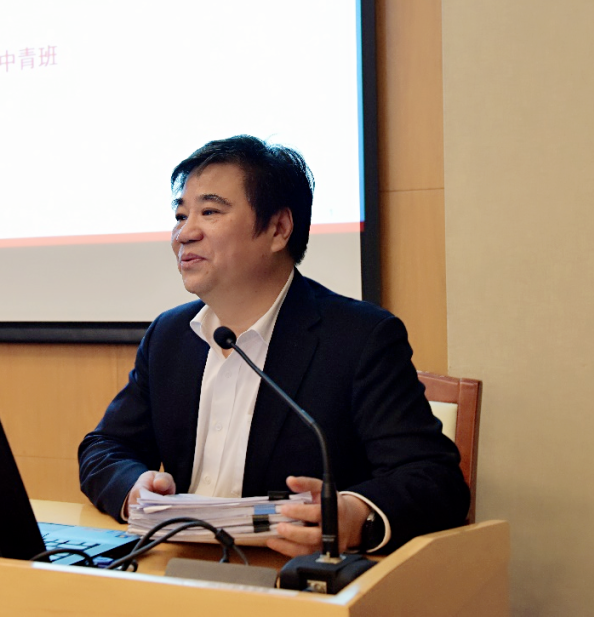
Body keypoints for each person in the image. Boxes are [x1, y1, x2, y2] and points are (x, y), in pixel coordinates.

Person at [78, 135, 469, 556]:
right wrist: (133, 487)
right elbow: (104, 448)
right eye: (180, 215)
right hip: (176, 568)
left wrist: (356, 515)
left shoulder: (359, 339)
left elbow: (434, 479)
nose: (184, 233)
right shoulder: (170, 336)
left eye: (209, 212)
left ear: (279, 229)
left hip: (287, 573)